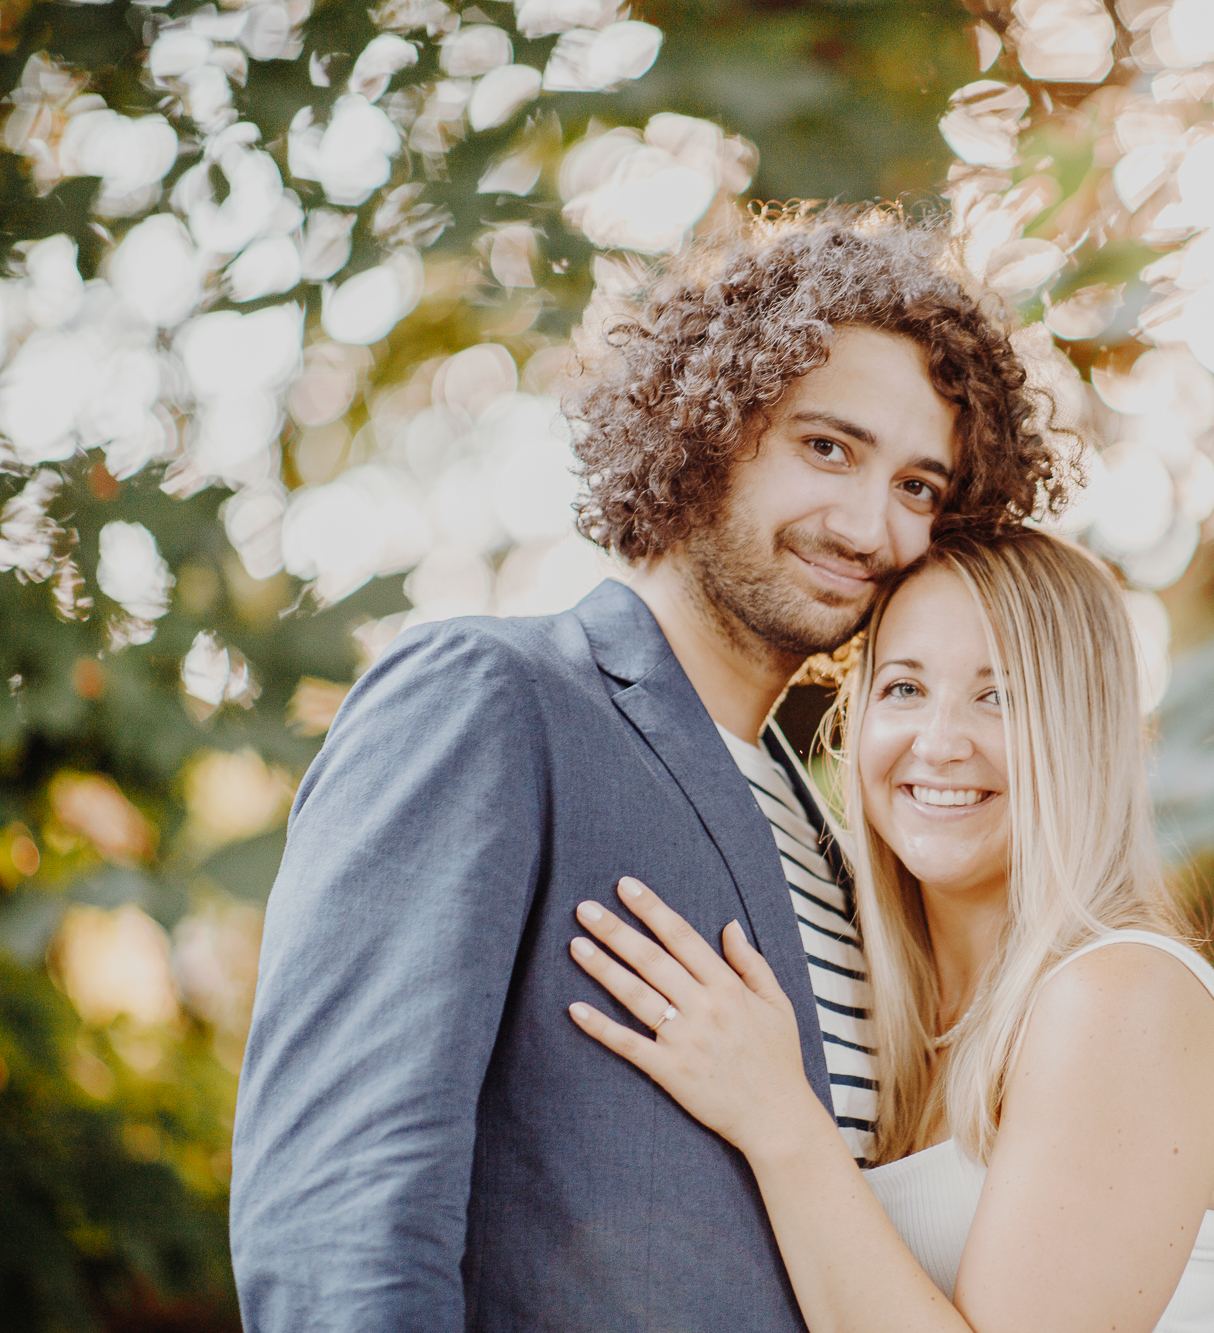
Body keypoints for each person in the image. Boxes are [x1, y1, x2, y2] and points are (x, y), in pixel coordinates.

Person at [228, 210, 1071, 1332]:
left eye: (919, 487)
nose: (869, 523)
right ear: (706, 427)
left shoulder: (833, 832)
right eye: (827, 447)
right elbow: (338, 1221)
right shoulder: (489, 699)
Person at [568, 530, 1214, 1333]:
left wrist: (777, 1117)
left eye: (997, 695)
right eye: (903, 688)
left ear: (1080, 731)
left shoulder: (1121, 997)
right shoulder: (881, 1011)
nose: (937, 744)